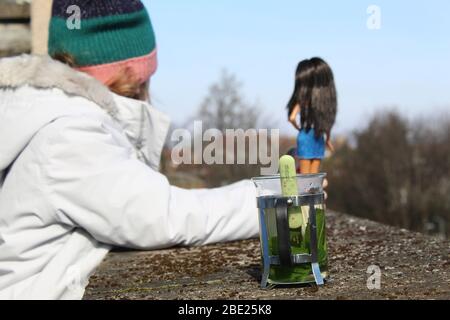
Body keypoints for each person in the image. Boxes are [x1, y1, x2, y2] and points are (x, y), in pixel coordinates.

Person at [0, 1, 259, 300]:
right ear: (134, 70)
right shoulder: (69, 135)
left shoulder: (45, 114)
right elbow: (166, 217)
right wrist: (277, 200)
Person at [287, 58, 337, 174]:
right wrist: (328, 140)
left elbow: (292, 118)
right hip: (317, 137)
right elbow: (292, 118)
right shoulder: (317, 104)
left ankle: (311, 191)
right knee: (310, 178)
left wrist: (299, 128)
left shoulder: (305, 102)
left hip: (311, 137)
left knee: (310, 178)